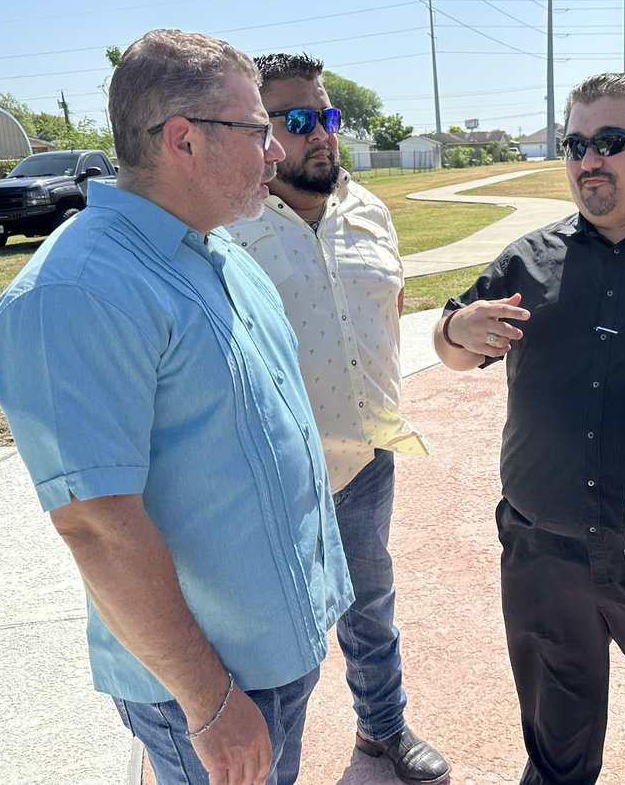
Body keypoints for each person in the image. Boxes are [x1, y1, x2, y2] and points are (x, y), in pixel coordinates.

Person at [0, 29, 353, 785]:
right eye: (258, 132)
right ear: (184, 140)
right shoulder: (76, 292)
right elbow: (95, 524)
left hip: (276, 651)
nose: (277, 151)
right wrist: (210, 704)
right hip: (210, 683)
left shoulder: (218, 254)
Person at [434, 73, 625, 785]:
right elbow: (452, 350)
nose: (588, 160)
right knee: (555, 750)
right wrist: (454, 328)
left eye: (610, 142)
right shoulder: (528, 259)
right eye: (575, 144)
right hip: (543, 552)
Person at [225, 52, 448, 785]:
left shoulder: (369, 209)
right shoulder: (228, 225)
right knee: (273, 642)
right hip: (267, 473)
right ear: (260, 131)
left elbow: (388, 305)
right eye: (297, 120)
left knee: (371, 607)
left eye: (327, 116)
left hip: (362, 458)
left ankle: (383, 730)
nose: (319, 134)